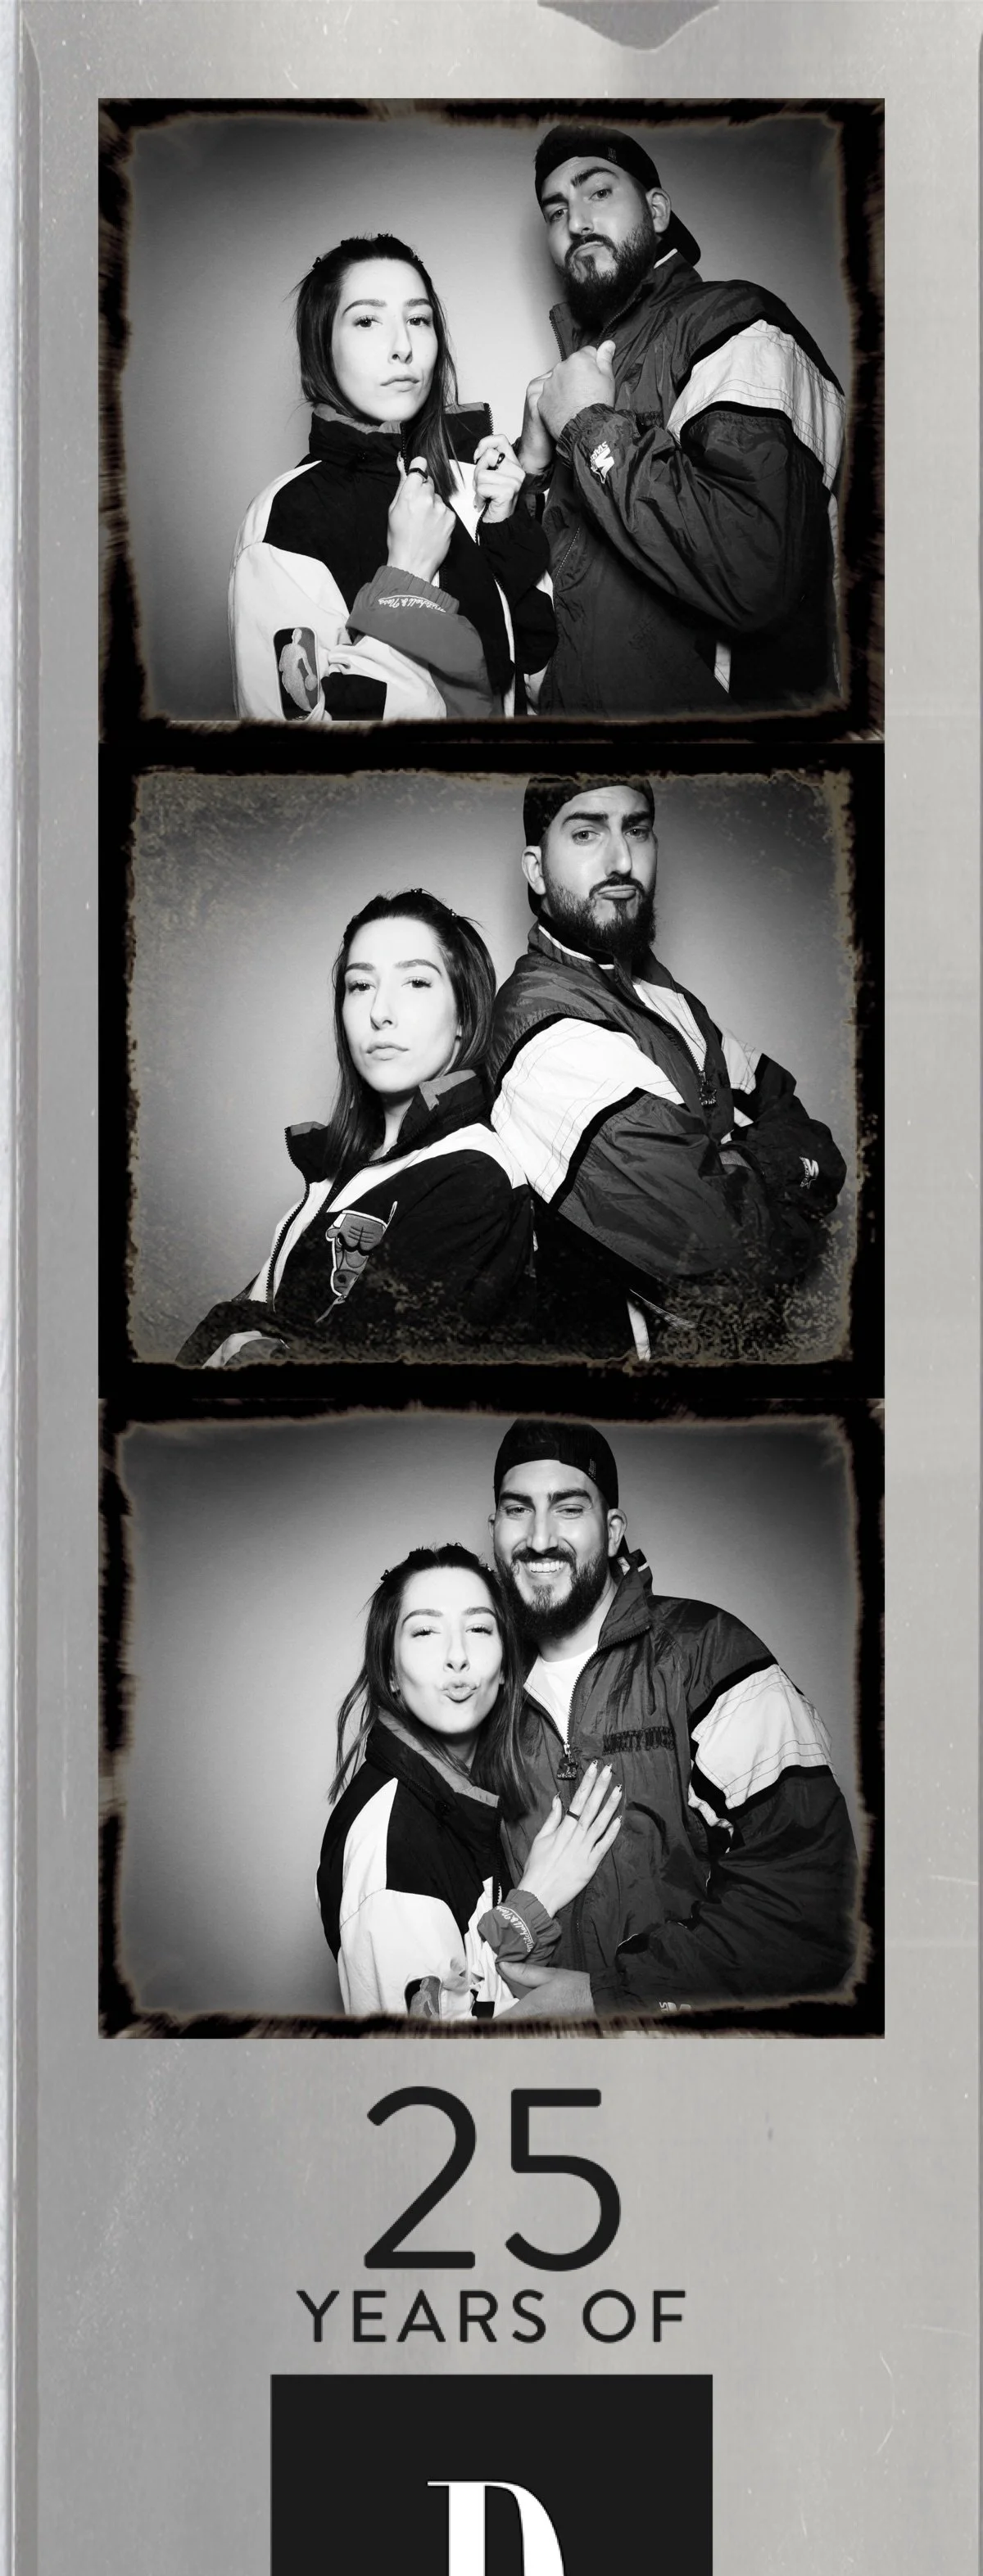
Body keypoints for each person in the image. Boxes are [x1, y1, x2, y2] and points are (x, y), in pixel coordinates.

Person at [487, 1422, 859, 2019]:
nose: (539, 1537)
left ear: (611, 1532)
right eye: (517, 1509)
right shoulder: (484, 1686)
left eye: (568, 1508)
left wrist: (604, 1996)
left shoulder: (709, 1654)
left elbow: (808, 1908)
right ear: (495, 1531)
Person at [487, 777, 847, 1357]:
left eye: (638, 829)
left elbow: (793, 1112)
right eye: (586, 832)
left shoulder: (661, 990)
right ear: (535, 870)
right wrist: (779, 1170)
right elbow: (724, 1249)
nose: (622, 859)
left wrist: (734, 1161)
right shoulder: (542, 1026)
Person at [518, 125, 845, 717]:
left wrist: (588, 423)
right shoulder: (576, 374)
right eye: (556, 209)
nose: (576, 220)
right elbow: (561, 577)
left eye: (598, 192)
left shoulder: (739, 325)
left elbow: (751, 573)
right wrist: (532, 469)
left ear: (657, 210)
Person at [177, 891, 532, 1367]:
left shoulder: (474, 1176)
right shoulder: (344, 1168)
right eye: (360, 986)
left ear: (464, 1018)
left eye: (416, 983)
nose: (380, 1012)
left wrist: (250, 1354)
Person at [230, 233, 555, 721]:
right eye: (367, 320)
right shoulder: (284, 523)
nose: (403, 347)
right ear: (322, 345)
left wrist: (504, 526)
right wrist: (406, 581)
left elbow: (526, 675)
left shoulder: (457, 486)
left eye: (418, 319)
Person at [317, 1544, 623, 2019]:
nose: (456, 1656)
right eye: (424, 1631)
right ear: (391, 1672)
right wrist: (536, 1901)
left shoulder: (465, 1795)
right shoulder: (392, 1850)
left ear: (504, 1668)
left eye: (479, 1629)